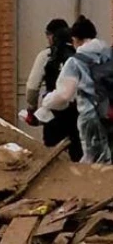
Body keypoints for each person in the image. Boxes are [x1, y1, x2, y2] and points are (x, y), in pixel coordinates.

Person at [36, 15, 113, 164]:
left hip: (92, 117)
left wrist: (46, 102)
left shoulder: (75, 61)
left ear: (75, 39)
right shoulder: (109, 55)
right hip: (110, 113)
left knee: (94, 162)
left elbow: (64, 96)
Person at [24, 19, 82, 161]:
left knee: (53, 156)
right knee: (78, 155)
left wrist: (31, 109)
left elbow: (32, 87)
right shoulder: (79, 54)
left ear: (51, 35)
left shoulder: (46, 55)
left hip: (53, 114)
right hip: (77, 113)